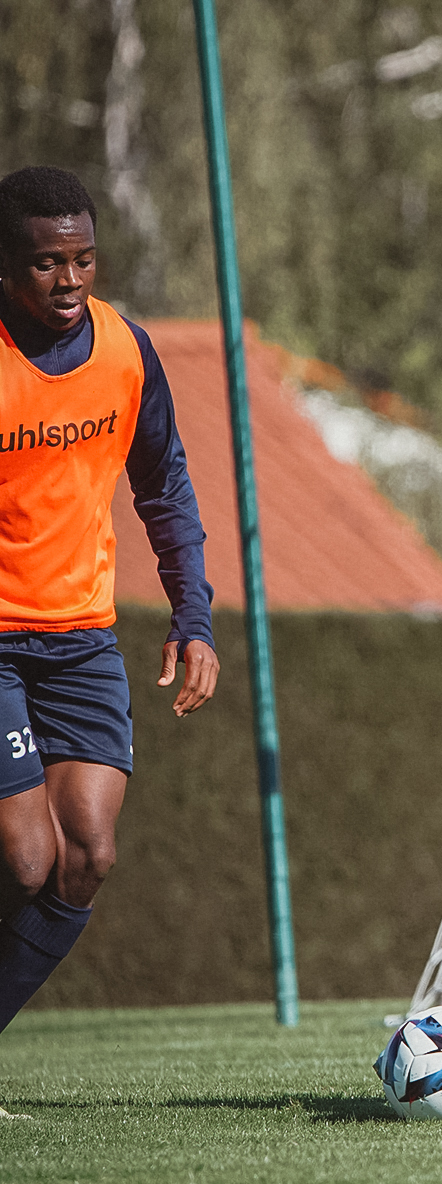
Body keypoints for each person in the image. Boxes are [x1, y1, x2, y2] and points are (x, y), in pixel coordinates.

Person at [0, 166, 218, 1057]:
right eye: (48, 263)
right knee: (23, 858)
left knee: (86, 857)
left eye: (84, 259)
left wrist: (193, 616)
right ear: (8, 270)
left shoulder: (126, 352)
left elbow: (163, 484)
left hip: (82, 639)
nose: (70, 281)